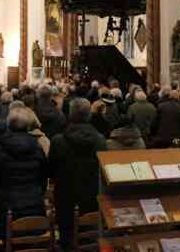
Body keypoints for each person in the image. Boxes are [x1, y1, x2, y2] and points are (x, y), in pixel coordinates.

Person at [49, 98, 106, 252]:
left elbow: (51, 171)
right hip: (91, 195)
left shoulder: (58, 141)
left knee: (67, 239)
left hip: (65, 196)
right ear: (89, 116)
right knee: (89, 237)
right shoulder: (100, 141)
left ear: (70, 115)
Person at [0, 105, 48, 241]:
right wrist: (38, 194)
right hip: (34, 205)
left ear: (8, 124)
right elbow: (43, 178)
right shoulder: (37, 147)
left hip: (7, 207)